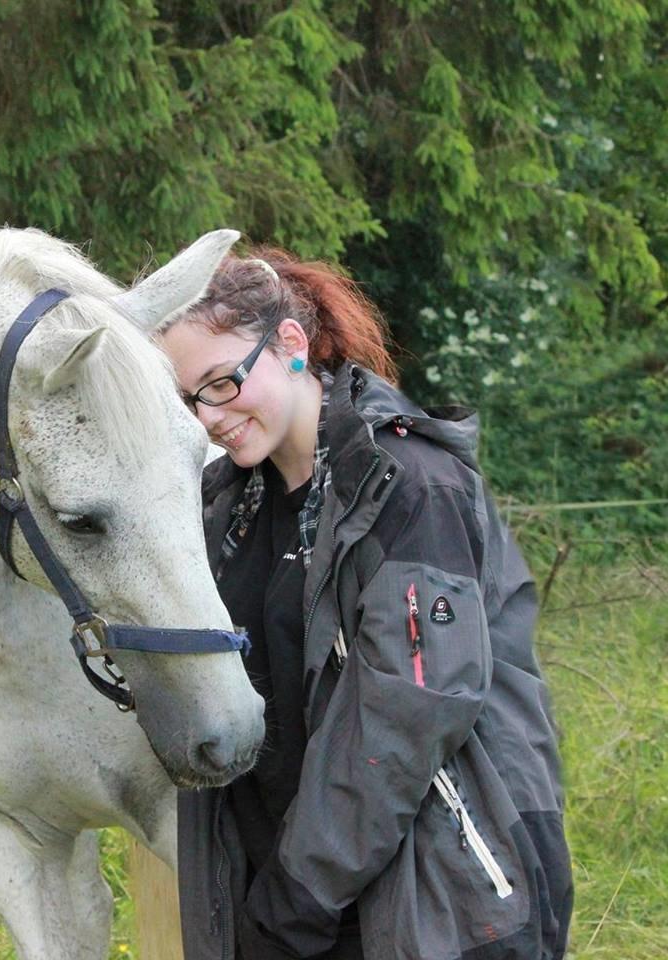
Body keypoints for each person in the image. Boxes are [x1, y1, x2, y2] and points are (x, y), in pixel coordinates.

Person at [158, 247, 573, 960]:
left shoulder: (409, 486)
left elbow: (411, 712)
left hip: (430, 895)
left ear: (289, 345)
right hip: (275, 898)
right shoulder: (225, 507)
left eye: (221, 383)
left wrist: (299, 893)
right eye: (188, 399)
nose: (208, 418)